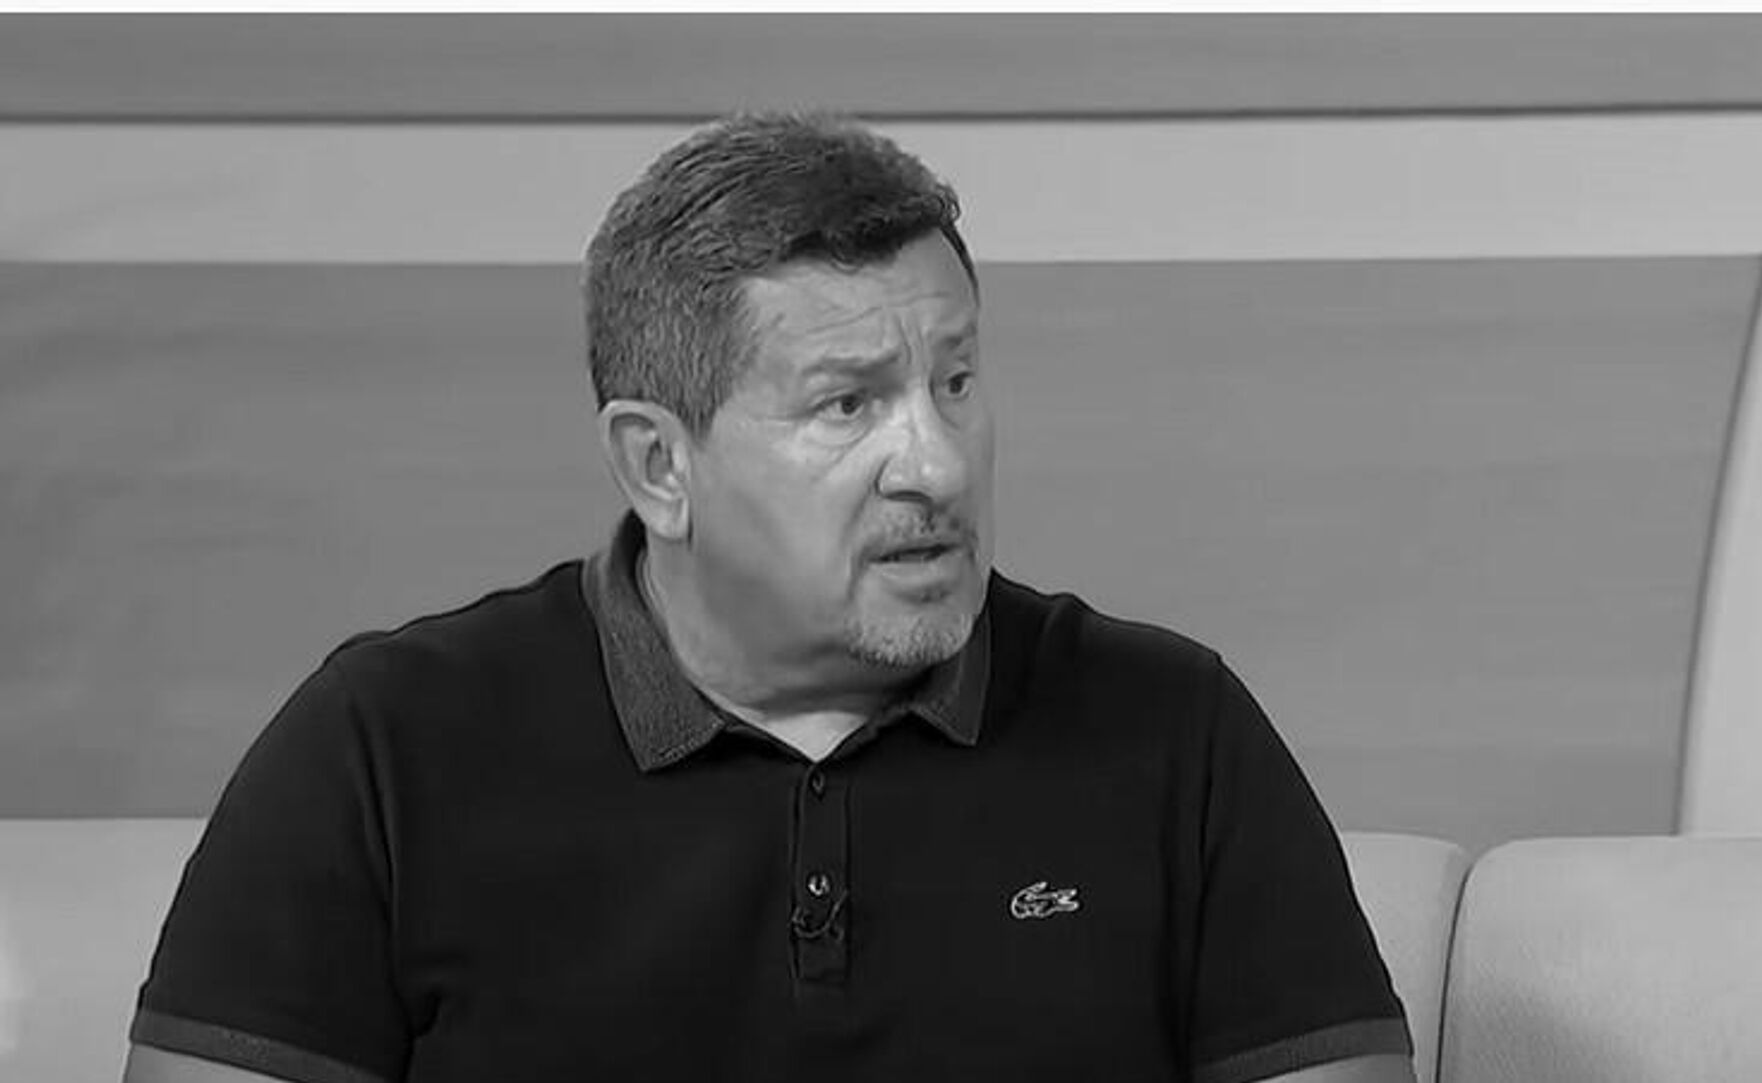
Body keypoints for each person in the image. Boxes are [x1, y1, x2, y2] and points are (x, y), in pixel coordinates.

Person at [123, 113, 1415, 1083]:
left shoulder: (1173, 732)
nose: (935, 465)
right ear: (659, 465)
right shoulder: (385, 746)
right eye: (847, 405)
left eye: (956, 384)